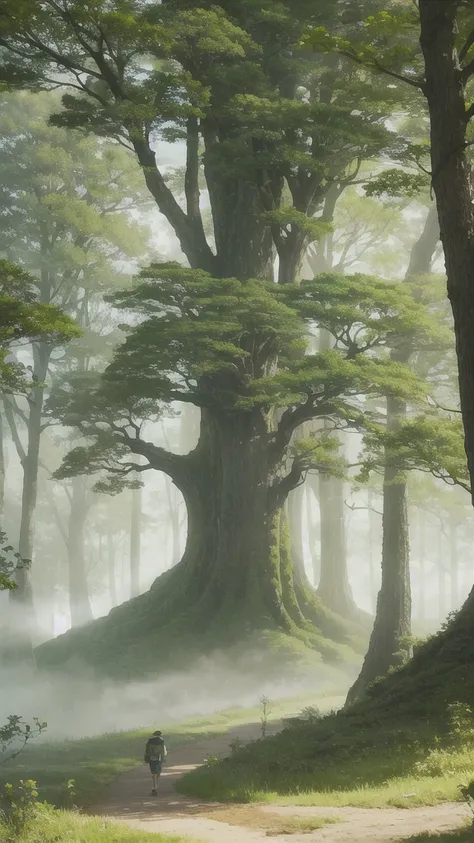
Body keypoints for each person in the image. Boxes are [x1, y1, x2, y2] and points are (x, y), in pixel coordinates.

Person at [144, 730, 167, 795]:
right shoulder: (161, 740)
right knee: (158, 772)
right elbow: (162, 751)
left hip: (152, 758)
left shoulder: (150, 740)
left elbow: (147, 751)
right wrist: (163, 758)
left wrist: (146, 758)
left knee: (153, 772)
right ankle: (156, 784)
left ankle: (154, 786)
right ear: (160, 734)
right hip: (159, 758)